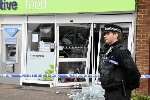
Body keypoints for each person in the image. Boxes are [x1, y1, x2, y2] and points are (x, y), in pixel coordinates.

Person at [99, 24, 141, 100]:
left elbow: (133, 71)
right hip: (109, 92)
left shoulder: (121, 51)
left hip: (119, 93)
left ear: (116, 35)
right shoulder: (109, 51)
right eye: (105, 34)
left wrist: (127, 88)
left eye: (108, 34)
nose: (105, 36)